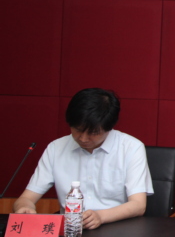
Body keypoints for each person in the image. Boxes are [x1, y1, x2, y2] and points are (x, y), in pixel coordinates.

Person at [13, 88, 153, 229]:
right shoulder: (56, 148)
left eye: (93, 133)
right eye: (78, 130)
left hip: (117, 229)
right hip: (70, 230)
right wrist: (24, 207)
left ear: (109, 127)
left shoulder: (131, 148)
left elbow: (138, 205)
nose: (83, 138)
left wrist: (100, 216)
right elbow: (26, 198)